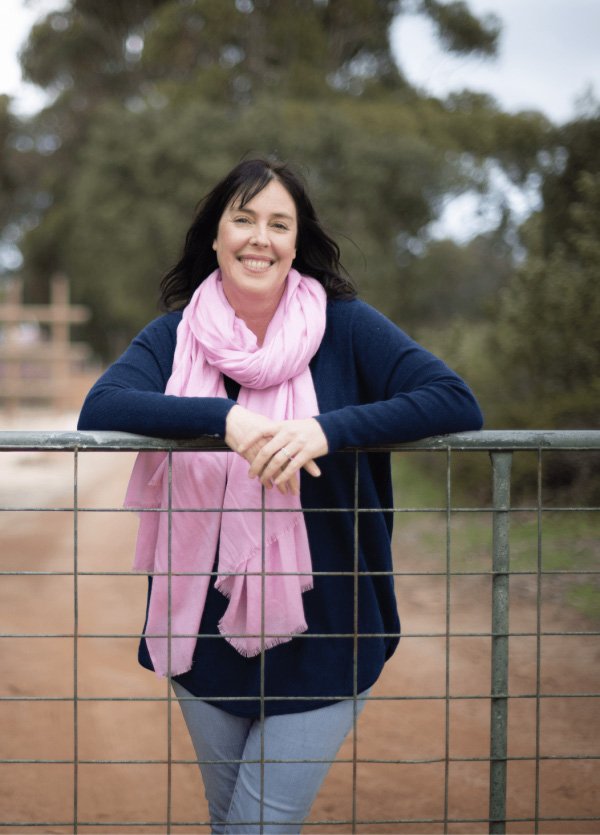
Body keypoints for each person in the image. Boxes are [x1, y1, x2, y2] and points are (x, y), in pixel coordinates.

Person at [78, 157, 483, 833]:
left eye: (278, 223)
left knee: (256, 826)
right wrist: (223, 419)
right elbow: (103, 405)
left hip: (330, 626)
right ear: (215, 234)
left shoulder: (347, 328)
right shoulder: (176, 336)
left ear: (297, 244)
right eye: (243, 219)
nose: (258, 237)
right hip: (203, 636)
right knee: (226, 818)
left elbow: (454, 400)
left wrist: (326, 430)